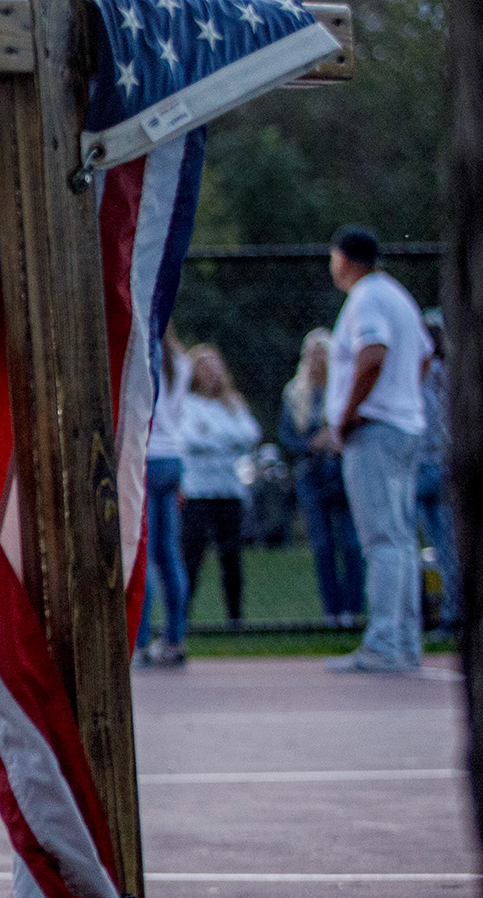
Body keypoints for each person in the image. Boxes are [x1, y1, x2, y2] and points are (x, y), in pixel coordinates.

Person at [324, 225, 434, 673]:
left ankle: (384, 643)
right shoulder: (397, 294)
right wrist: (402, 396)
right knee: (401, 538)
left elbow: (372, 353)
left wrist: (350, 412)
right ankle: (405, 641)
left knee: (382, 539)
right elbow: (425, 354)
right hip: (404, 425)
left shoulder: (365, 298)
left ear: (343, 259)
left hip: (375, 430)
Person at [280, 328, 364, 626]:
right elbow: (286, 436)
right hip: (311, 474)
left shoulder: (344, 388)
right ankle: (332, 611)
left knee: (351, 542)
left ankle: (353, 609)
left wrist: (336, 437)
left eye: (321, 354)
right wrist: (311, 443)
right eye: (311, 355)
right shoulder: (295, 393)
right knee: (321, 544)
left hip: (340, 470)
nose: (316, 360)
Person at [178, 344, 261, 626]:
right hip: (197, 491)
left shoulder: (233, 404)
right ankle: (181, 621)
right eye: (204, 366)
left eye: (215, 365)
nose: (211, 371)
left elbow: (250, 435)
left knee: (231, 557)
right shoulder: (186, 404)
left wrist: (212, 437)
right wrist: (227, 442)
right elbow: (190, 440)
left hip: (229, 491)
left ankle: (235, 620)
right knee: (192, 556)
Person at [136, 326, 192, 666]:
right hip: (172, 458)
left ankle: (140, 641)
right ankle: (174, 638)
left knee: (142, 553)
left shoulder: (141, 355)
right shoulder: (180, 360)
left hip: (145, 456)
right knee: (168, 553)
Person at [416, 309, 461, 636]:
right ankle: (448, 614)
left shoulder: (422, 376)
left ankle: (448, 615)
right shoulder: (449, 375)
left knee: (434, 545)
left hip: (427, 465)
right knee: (444, 546)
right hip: (437, 464)